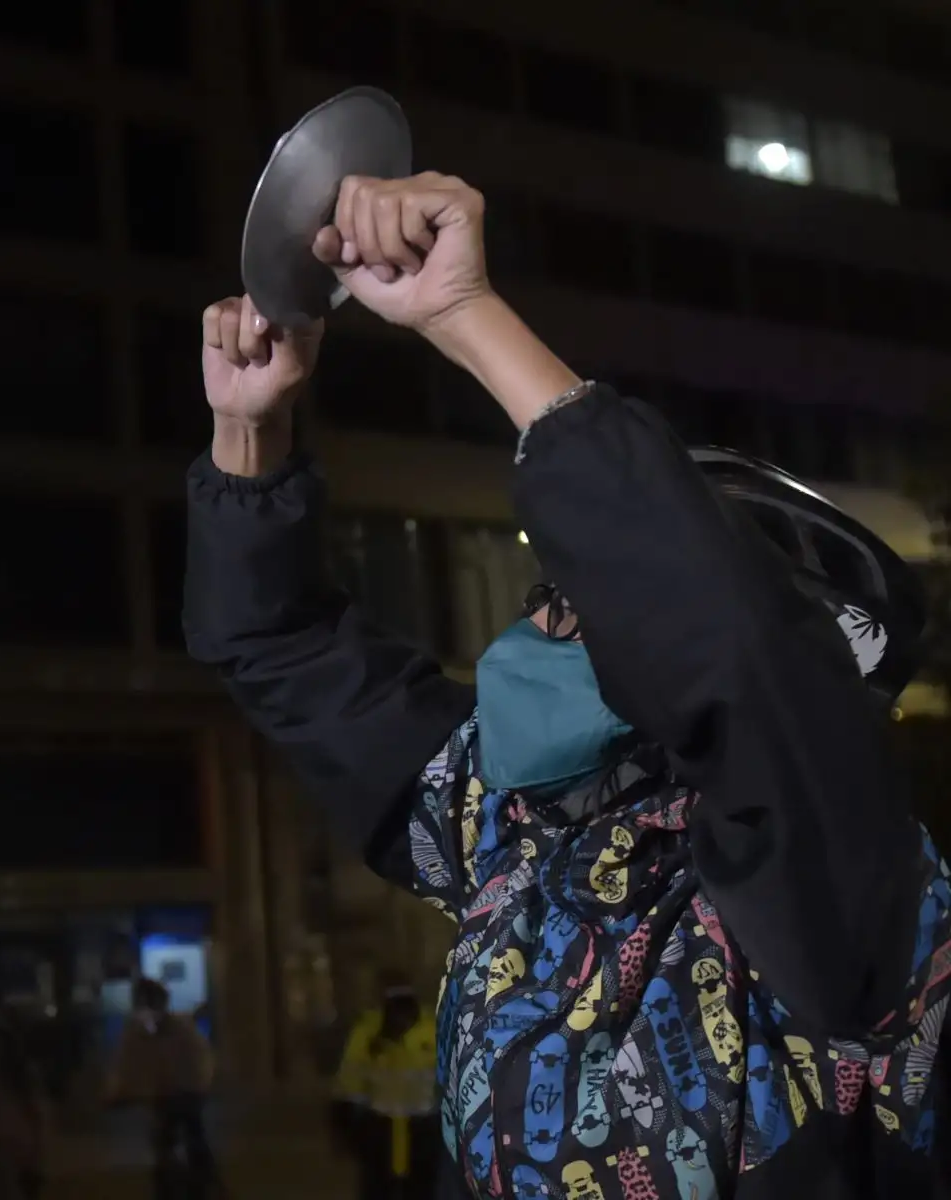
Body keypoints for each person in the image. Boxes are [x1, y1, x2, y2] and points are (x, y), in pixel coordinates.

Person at [184, 170, 950, 1199]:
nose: (543, 621)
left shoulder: (835, 872)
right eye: (548, 589)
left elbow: (727, 645)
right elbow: (279, 647)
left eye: (592, 601)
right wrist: (251, 437)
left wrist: (465, 316)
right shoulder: (503, 825)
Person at [107, 978, 220, 1199]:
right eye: (141, 1005)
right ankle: (170, 1183)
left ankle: (204, 1180)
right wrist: (118, 1092)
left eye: (150, 1004)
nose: (146, 1011)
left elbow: (199, 1060)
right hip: (160, 1095)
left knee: (192, 1133)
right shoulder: (136, 1032)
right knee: (162, 1143)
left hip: (186, 1092)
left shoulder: (181, 1029)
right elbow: (126, 1063)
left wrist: (196, 1087)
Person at [331, 978, 438, 1200]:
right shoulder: (367, 1032)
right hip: (380, 1130)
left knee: (423, 1191)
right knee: (376, 1191)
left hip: (424, 1130)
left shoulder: (434, 1030)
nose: (400, 1018)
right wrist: (344, 1127)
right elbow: (349, 1083)